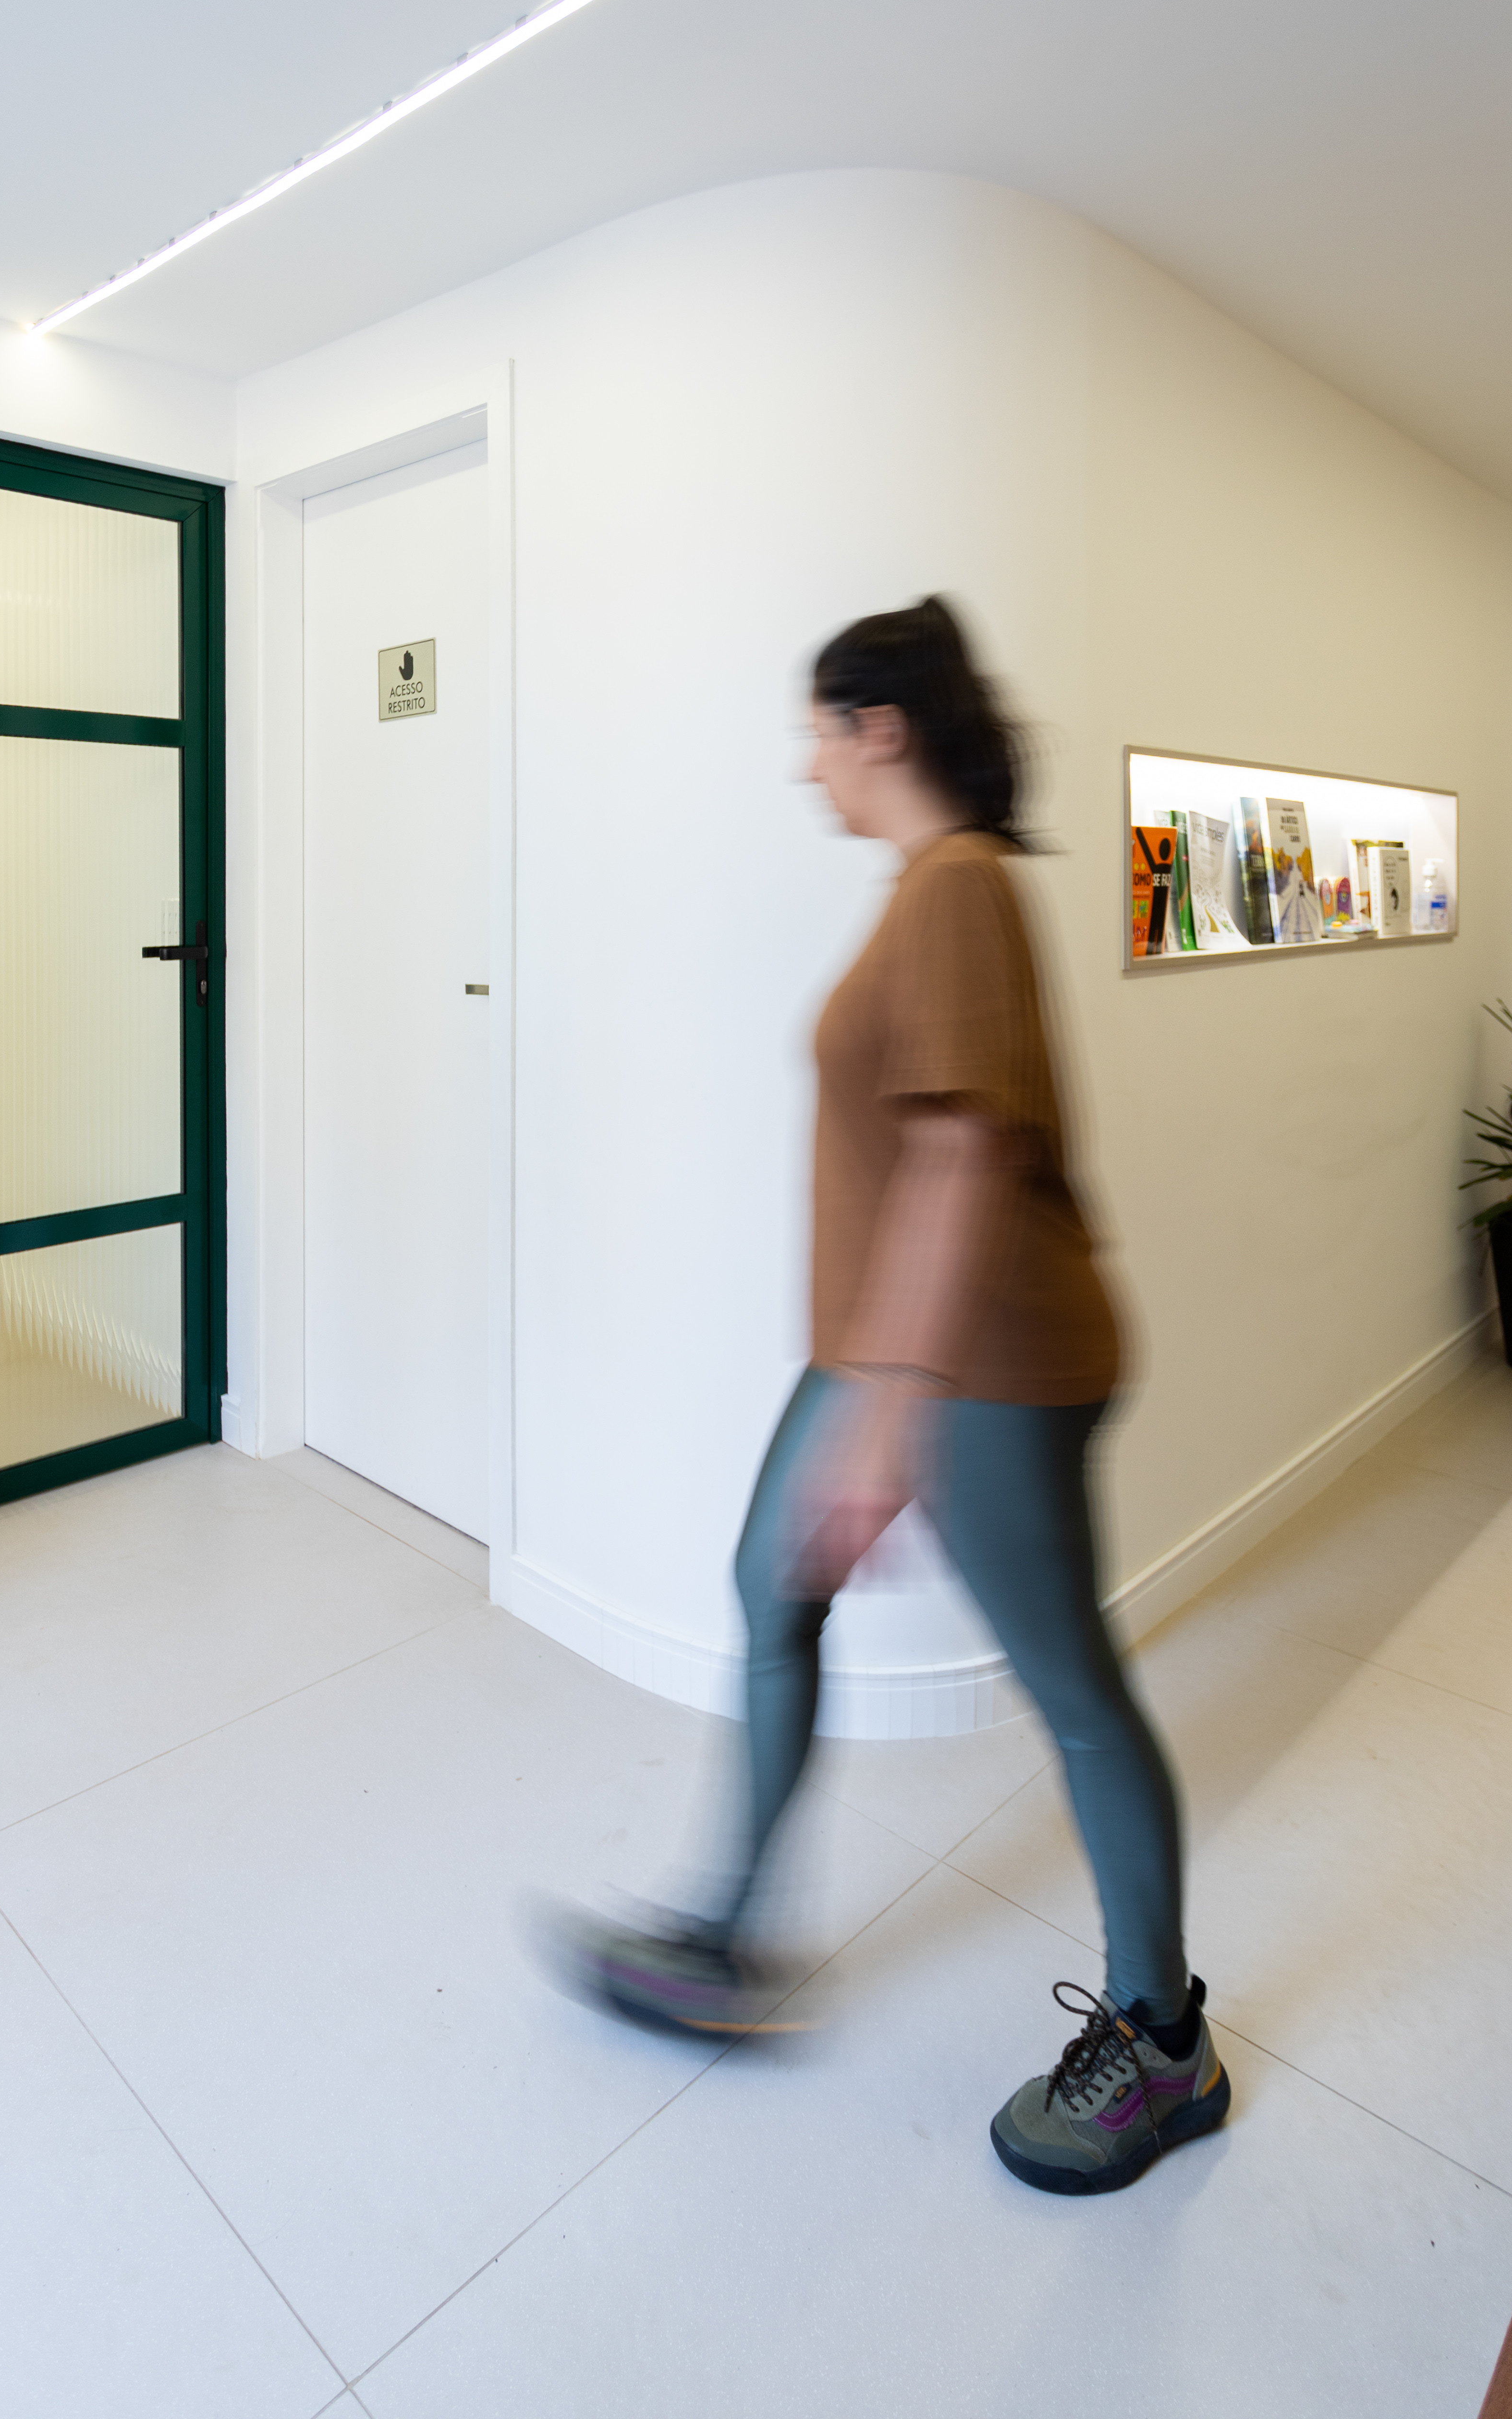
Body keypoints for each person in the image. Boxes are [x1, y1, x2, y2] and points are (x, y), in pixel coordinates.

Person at [552, 595, 1228, 2196]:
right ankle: (726, 1937)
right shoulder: (924, 889)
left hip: (984, 1364)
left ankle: (1165, 2041)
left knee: (1071, 1688)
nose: (807, 768)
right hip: (886, 1349)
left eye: (818, 734)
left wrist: (891, 1410)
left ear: (884, 729)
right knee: (770, 1590)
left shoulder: (961, 882)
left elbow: (960, 1150)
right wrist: (868, 1385)